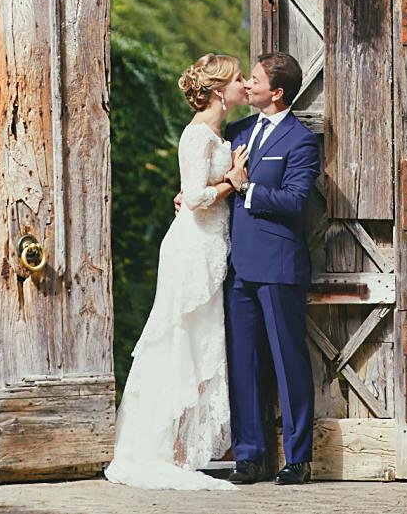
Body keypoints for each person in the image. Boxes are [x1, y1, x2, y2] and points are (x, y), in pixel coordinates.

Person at [104, 53, 248, 491]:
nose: (244, 84)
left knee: (199, 338)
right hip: (192, 248)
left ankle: (182, 449)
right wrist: (233, 181)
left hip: (209, 245)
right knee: (181, 337)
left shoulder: (216, 134)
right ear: (220, 91)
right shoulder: (198, 135)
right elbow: (197, 195)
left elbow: (191, 192)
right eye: (239, 78)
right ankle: (165, 449)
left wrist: (214, 183)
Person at [222, 52, 319, 487]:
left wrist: (249, 188)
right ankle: (249, 455)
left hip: (279, 267)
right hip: (237, 266)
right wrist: (190, 199)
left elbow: (297, 203)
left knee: (288, 363)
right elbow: (216, 187)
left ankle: (297, 459)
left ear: (276, 93)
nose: (248, 84)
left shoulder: (300, 141)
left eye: (255, 79)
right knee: (242, 363)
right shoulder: (236, 132)